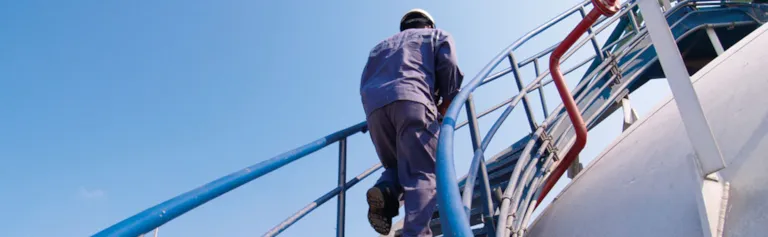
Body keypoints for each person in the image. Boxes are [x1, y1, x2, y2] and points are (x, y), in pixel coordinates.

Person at [359, 8, 463, 237]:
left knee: (397, 165)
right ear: (429, 25)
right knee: (423, 172)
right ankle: (416, 234)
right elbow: (450, 65)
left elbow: (364, 80)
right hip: (413, 102)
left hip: (375, 112)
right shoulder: (436, 35)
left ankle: (385, 191)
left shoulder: (379, 47)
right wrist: (447, 100)